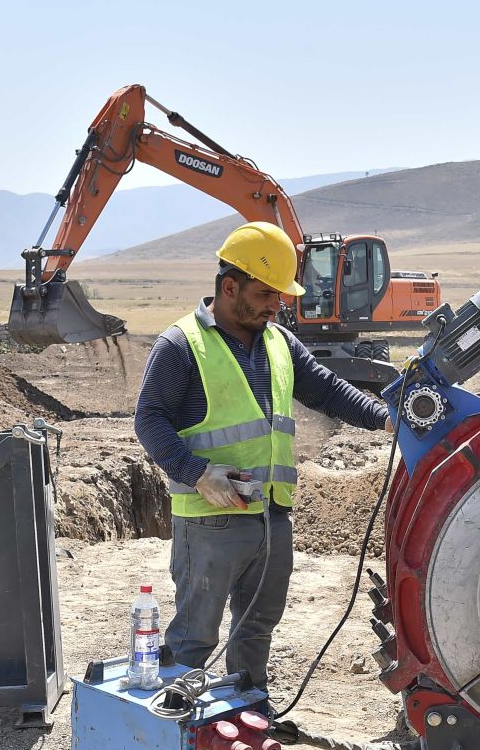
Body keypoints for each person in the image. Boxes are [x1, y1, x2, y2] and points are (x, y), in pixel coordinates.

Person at [134, 221, 392, 692]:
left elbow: (327, 391)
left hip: (271, 515)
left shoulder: (280, 342)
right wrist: (197, 474)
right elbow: (149, 421)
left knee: (255, 629)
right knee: (194, 638)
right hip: (210, 519)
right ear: (230, 287)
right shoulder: (181, 344)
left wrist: (384, 416)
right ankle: (179, 736)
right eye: (267, 294)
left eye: (281, 295)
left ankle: (248, 710)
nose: (278, 305)